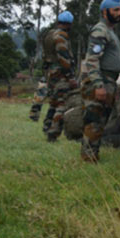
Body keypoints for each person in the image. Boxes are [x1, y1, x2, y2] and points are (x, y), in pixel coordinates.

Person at [80, 0, 120, 161]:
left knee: (100, 120)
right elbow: (92, 60)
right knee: (94, 121)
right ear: (105, 12)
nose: (119, 13)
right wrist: (98, 85)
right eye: (115, 10)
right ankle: (89, 158)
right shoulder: (100, 30)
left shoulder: (110, 31)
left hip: (109, 80)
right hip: (101, 79)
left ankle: (91, 155)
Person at [43, 11, 77, 142]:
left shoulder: (50, 34)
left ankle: (47, 127)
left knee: (54, 102)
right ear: (69, 24)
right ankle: (53, 133)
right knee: (62, 103)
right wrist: (71, 77)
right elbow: (64, 60)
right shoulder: (61, 37)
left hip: (51, 74)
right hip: (61, 74)